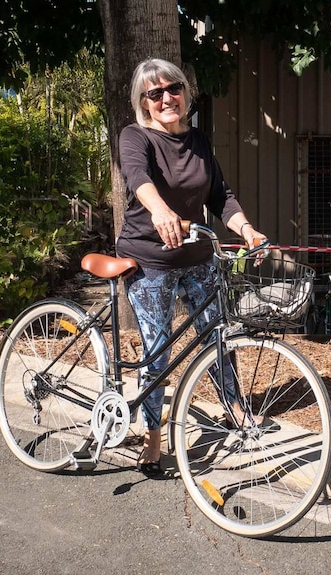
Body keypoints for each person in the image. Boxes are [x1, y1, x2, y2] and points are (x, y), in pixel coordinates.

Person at [117, 57, 267, 476]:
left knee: (218, 337)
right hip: (150, 259)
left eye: (173, 89)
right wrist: (162, 212)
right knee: (157, 351)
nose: (167, 98)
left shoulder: (198, 139)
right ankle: (152, 436)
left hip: (197, 257)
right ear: (143, 102)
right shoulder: (136, 136)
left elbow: (220, 195)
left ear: (185, 92)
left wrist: (248, 229)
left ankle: (234, 407)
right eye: (155, 94)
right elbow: (137, 177)